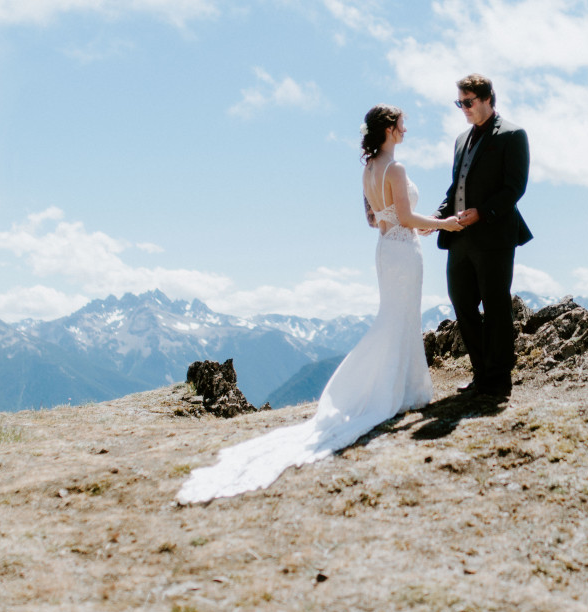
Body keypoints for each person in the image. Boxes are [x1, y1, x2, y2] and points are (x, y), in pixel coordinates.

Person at [177, 105, 462, 504]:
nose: (406, 129)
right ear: (389, 129)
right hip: (404, 251)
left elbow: (374, 219)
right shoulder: (395, 170)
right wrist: (443, 223)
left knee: (393, 319)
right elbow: (404, 215)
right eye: (402, 124)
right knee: (399, 321)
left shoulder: (368, 171)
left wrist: (412, 222)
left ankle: (396, 389)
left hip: (384, 248)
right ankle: (395, 391)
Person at [435, 74, 533, 402]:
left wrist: (483, 212)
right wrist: (437, 218)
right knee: (462, 304)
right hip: (460, 239)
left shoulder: (513, 134)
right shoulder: (461, 139)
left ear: (488, 98)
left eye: (468, 102)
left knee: (495, 307)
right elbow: (455, 188)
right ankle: (480, 374)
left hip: (494, 236)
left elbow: (514, 188)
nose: (463, 108)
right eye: (459, 102)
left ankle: (499, 381)